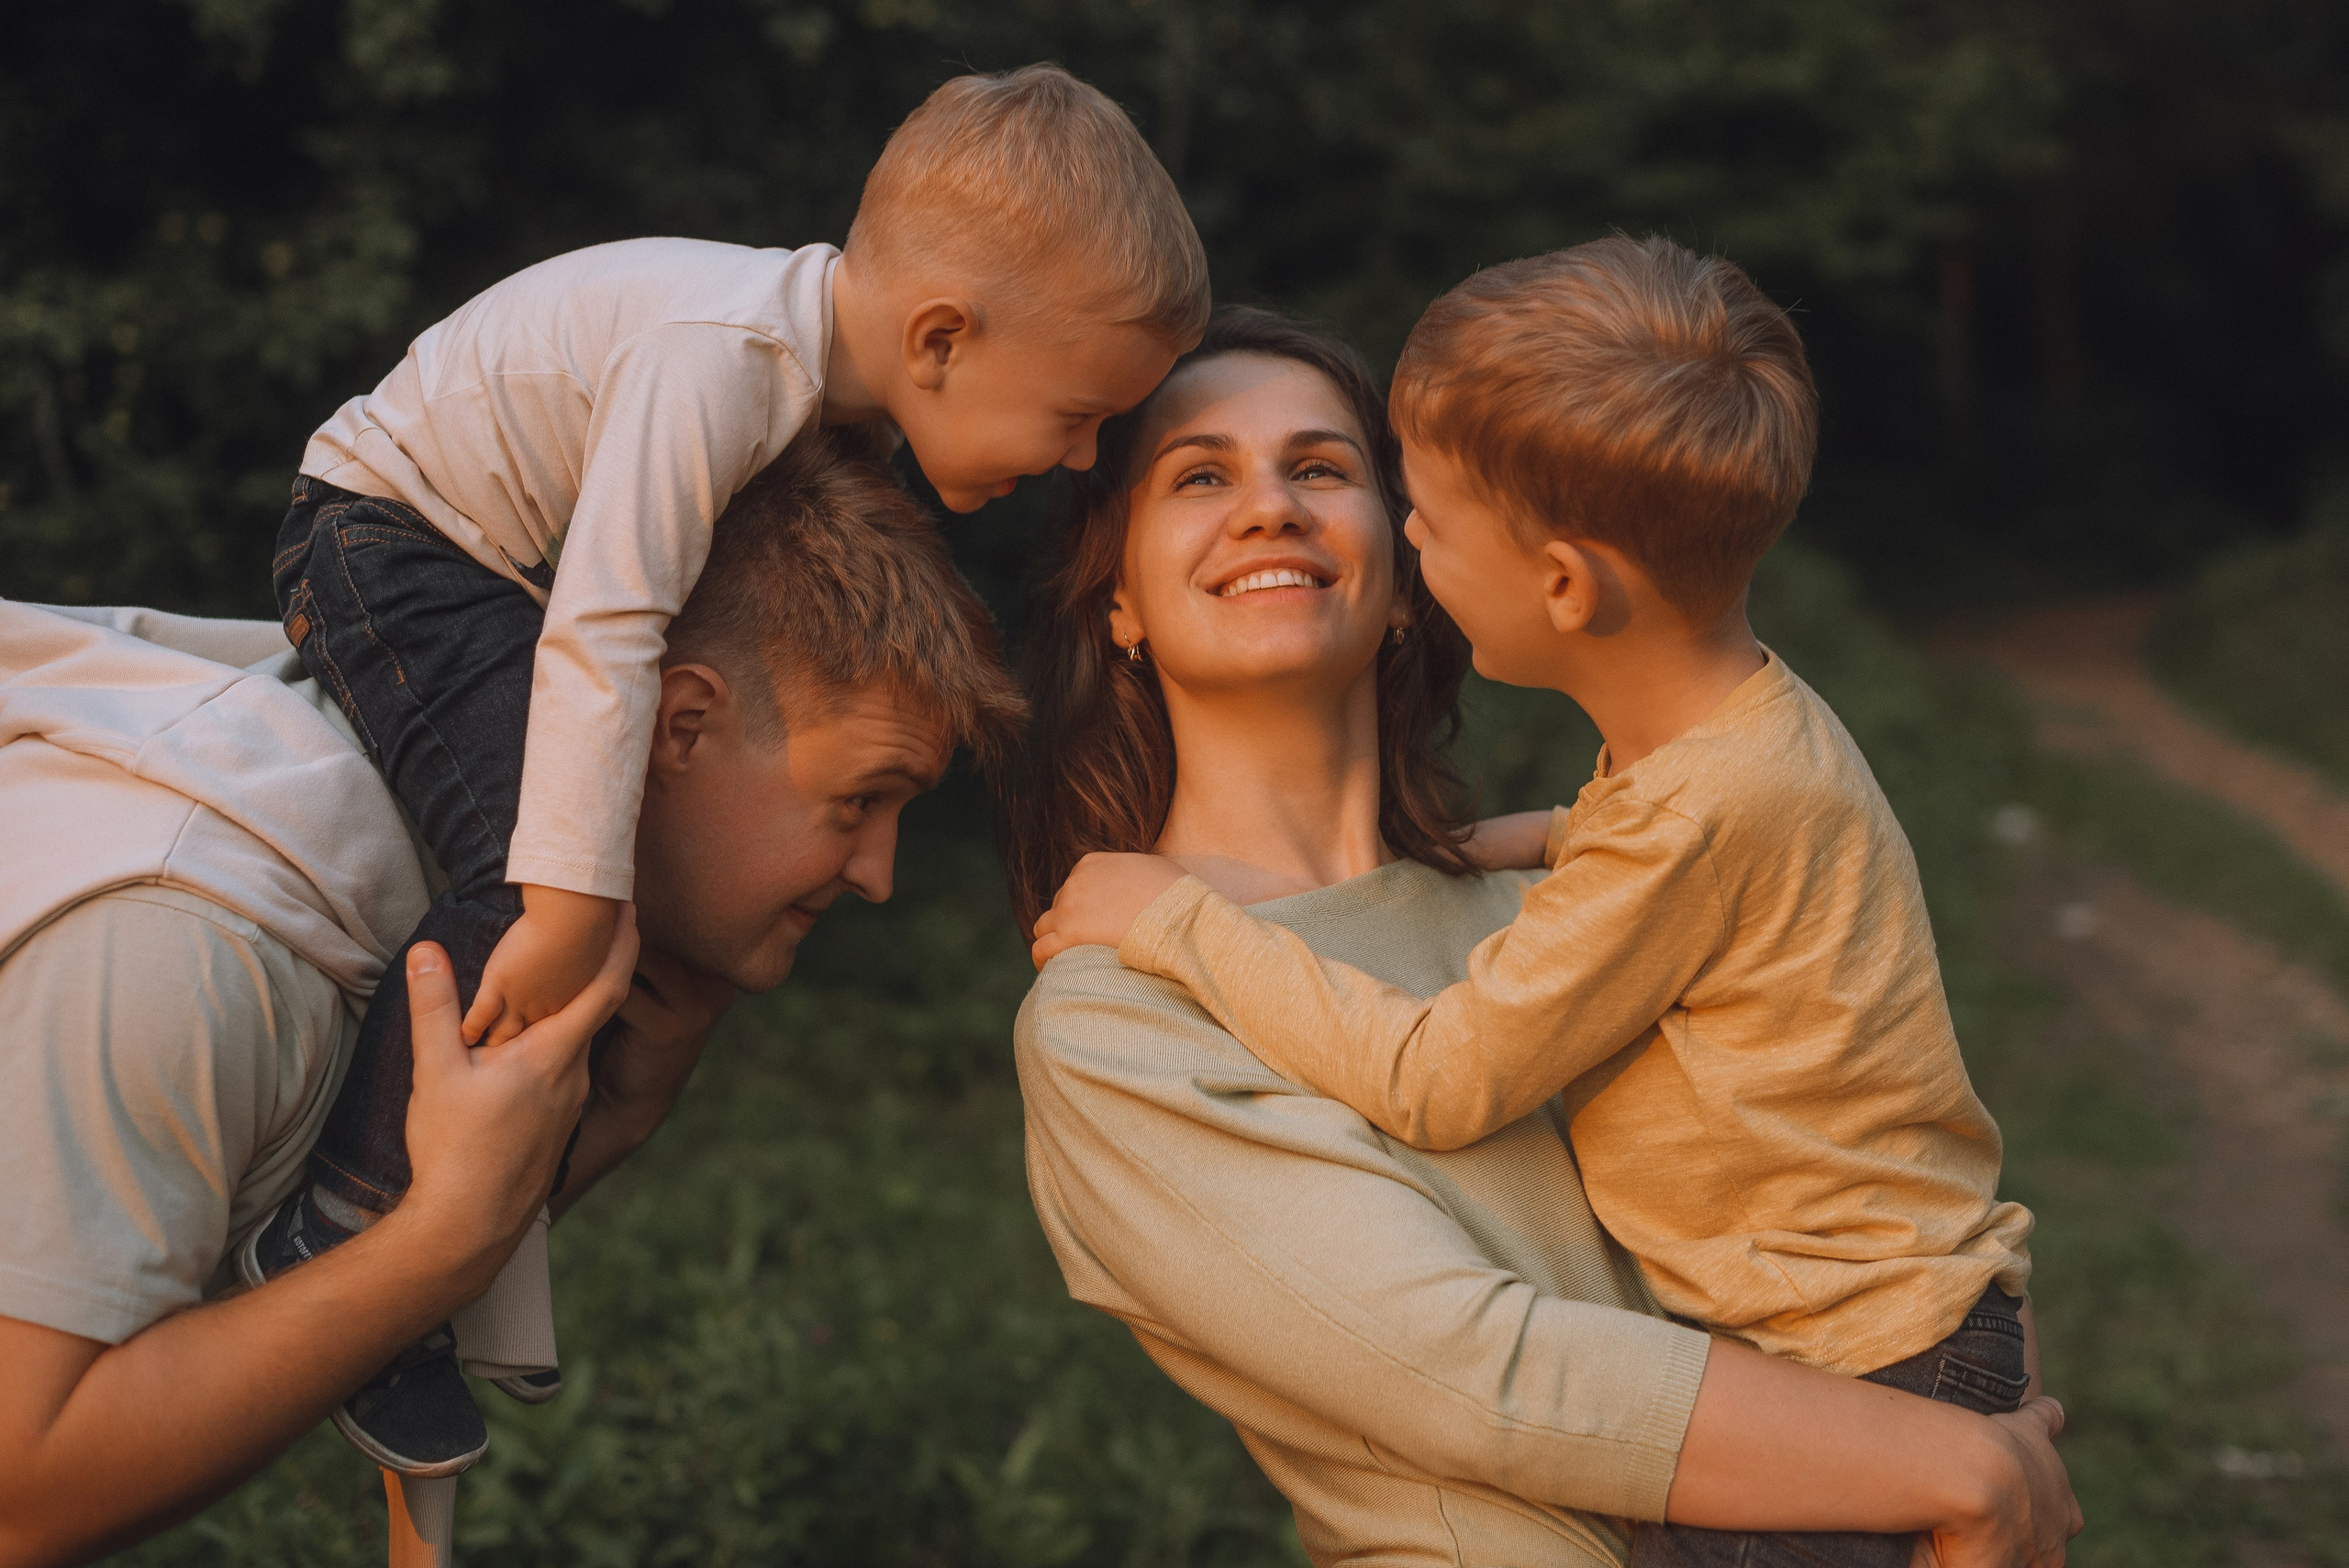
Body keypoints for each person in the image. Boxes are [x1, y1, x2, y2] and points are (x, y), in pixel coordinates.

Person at [1004, 307, 2078, 1566]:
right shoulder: (1117, 1010)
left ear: (1405, 570)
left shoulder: (1578, 900)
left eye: (1321, 467)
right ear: (1118, 595)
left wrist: (1973, 1408)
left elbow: (1861, 1157)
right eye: (1200, 476)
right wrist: (1949, 1464)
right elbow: (1470, 1369)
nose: (1270, 508)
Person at [256, 61, 1204, 1473]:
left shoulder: (822, 397)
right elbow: (608, 623)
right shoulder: (720, 364)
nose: (1082, 457)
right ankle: (340, 1230)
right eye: (1077, 416)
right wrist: (568, 904)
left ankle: (466, 1270)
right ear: (940, 339)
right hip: (391, 535)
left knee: (591, 904)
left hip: (485, 568)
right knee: (535, 879)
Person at [0, 433, 1027, 1564]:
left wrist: (599, 1126)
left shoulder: (411, 882)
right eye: (862, 799)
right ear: (680, 722)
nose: (881, 875)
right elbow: (25, 1491)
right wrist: (440, 1241)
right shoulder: (197, 945)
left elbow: (277, 1338)